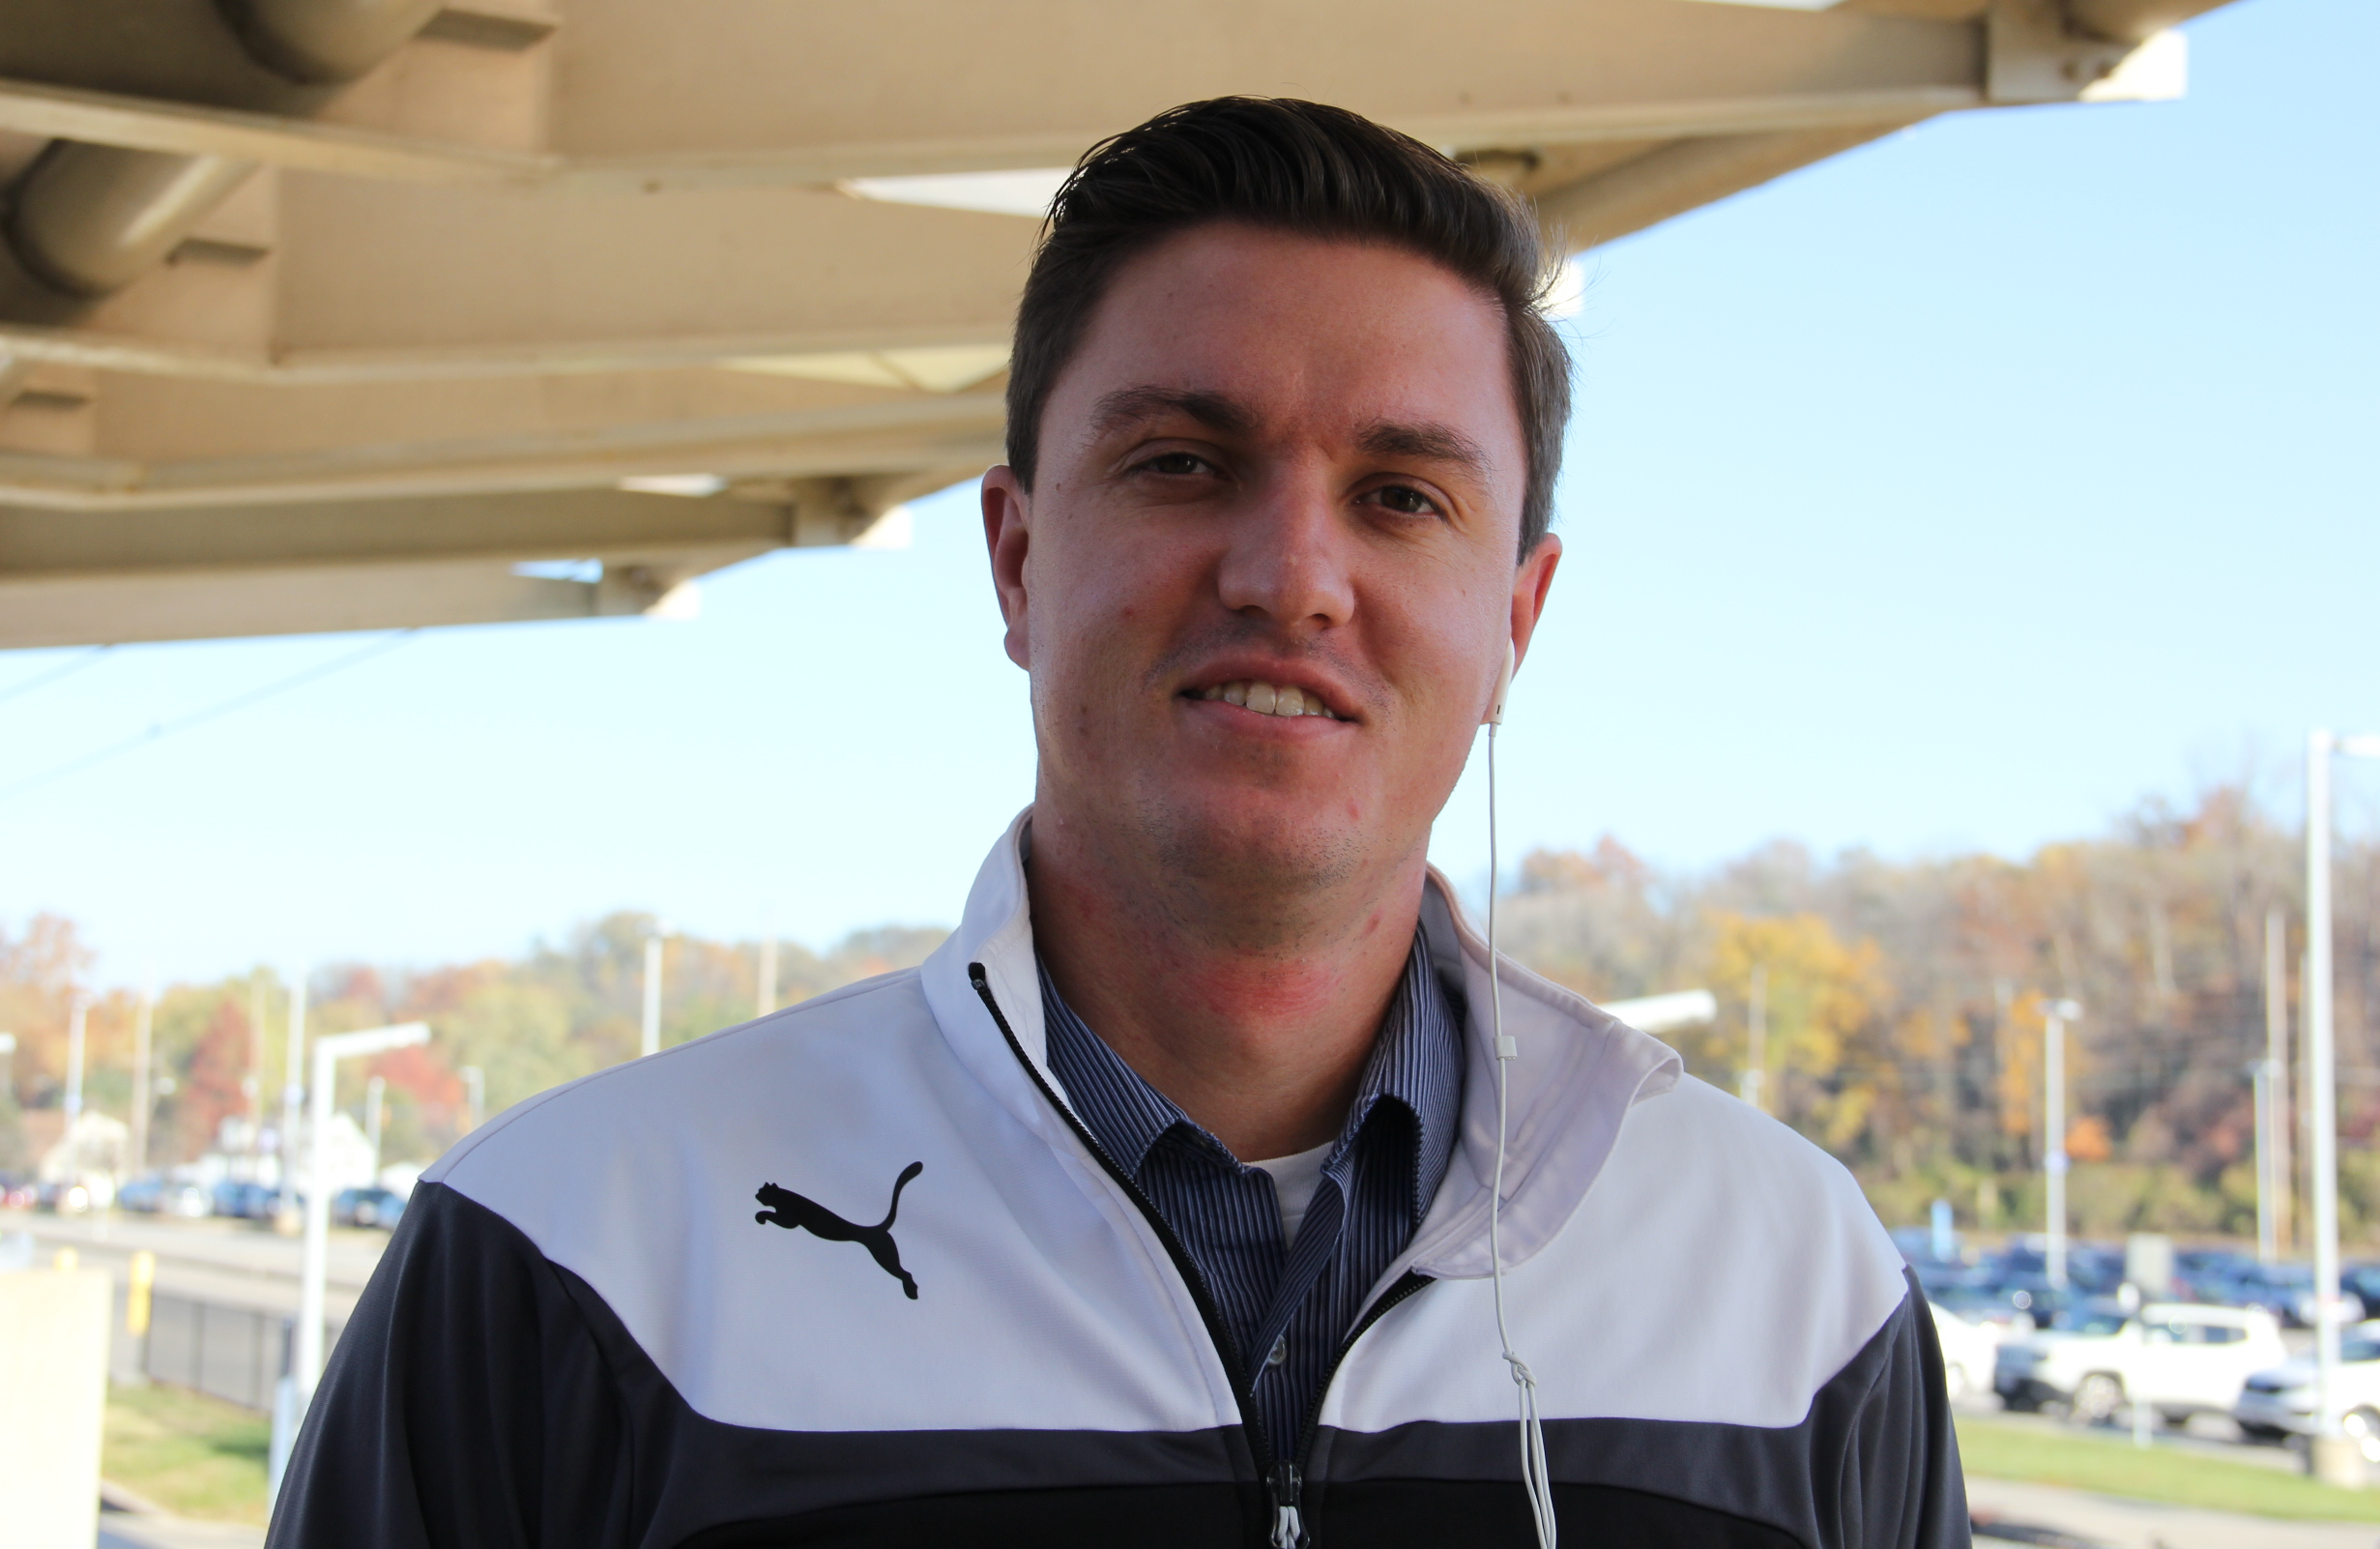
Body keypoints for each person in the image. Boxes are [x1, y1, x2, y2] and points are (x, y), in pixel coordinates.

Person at [270, 98, 1966, 1548]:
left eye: (1401, 497)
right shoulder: (580, 1257)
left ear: (1515, 623)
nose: (1291, 577)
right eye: (1181, 463)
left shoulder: (1797, 1295)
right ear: (1016, 561)